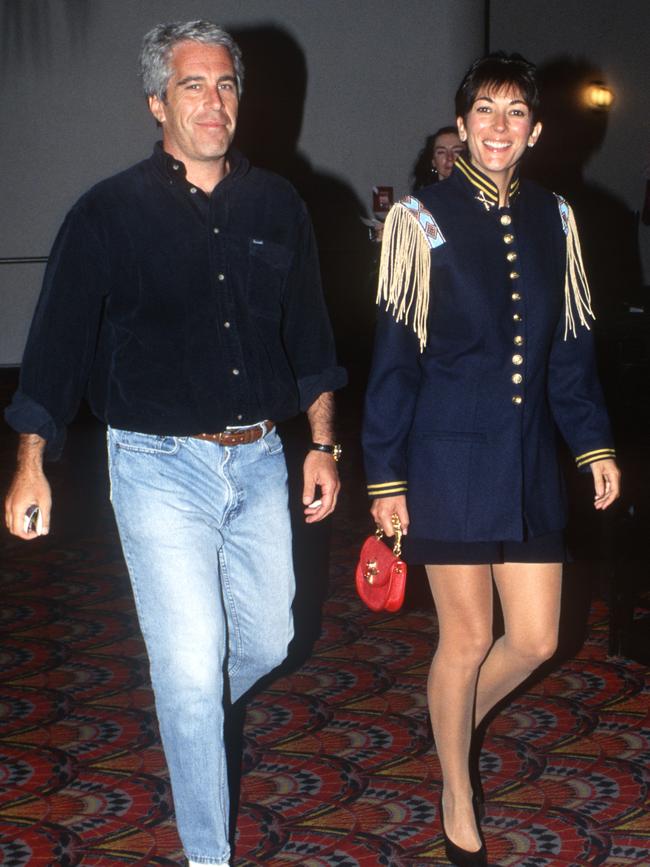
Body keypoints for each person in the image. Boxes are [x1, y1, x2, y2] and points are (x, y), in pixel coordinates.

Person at [4, 20, 346, 867]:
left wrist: (323, 444)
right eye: (192, 85)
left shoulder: (277, 205)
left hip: (263, 457)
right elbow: (55, 344)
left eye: (225, 83)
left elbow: (310, 338)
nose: (213, 100)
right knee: (195, 675)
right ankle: (207, 851)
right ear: (157, 101)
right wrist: (30, 462)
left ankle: (185, 710)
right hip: (157, 465)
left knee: (268, 639)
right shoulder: (107, 212)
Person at [362, 52, 620, 867]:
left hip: (528, 461)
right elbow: (395, 360)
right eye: (484, 111)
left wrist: (593, 443)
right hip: (444, 462)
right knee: (467, 639)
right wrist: (386, 475)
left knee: (540, 637)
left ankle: (449, 723)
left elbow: (570, 353)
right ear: (462, 123)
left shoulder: (557, 218)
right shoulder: (420, 218)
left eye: (515, 113)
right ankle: (455, 786)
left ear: (535, 130)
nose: (499, 126)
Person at [412, 125, 466, 191]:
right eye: (441, 152)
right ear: (433, 161)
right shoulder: (422, 199)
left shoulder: (480, 196)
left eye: (457, 151)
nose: (449, 157)